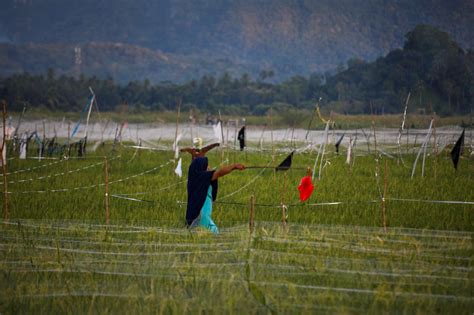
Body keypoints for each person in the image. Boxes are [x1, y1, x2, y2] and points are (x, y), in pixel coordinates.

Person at [186, 157, 245, 233]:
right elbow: (220, 173)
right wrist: (234, 166)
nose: (209, 167)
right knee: (210, 232)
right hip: (201, 213)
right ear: (201, 167)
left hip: (199, 213)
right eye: (206, 166)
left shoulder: (194, 177)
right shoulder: (202, 177)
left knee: (203, 232)